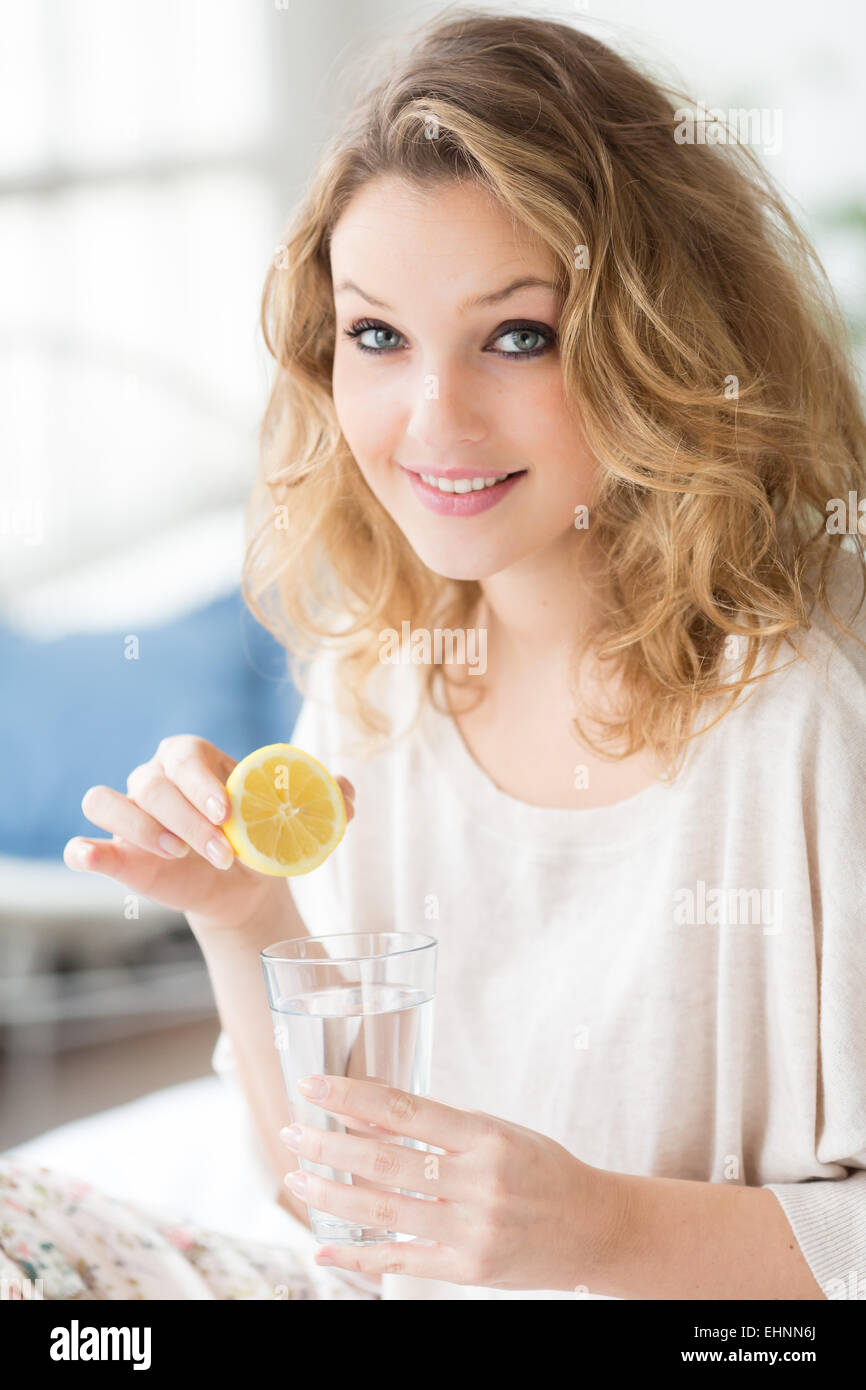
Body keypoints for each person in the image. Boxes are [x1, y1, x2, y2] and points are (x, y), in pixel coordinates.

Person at [4, 8, 865, 1301]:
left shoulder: (809, 701)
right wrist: (247, 919)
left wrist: (611, 1229)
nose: (431, 419)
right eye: (375, 335)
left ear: (659, 338)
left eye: (517, 335)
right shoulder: (377, 679)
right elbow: (329, 1193)